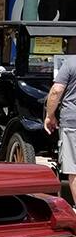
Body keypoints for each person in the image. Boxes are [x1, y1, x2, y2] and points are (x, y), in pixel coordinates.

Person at [44, 55, 76, 198]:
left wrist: (50, 115)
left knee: (75, 170)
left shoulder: (71, 62)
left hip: (72, 121)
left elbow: (56, 90)